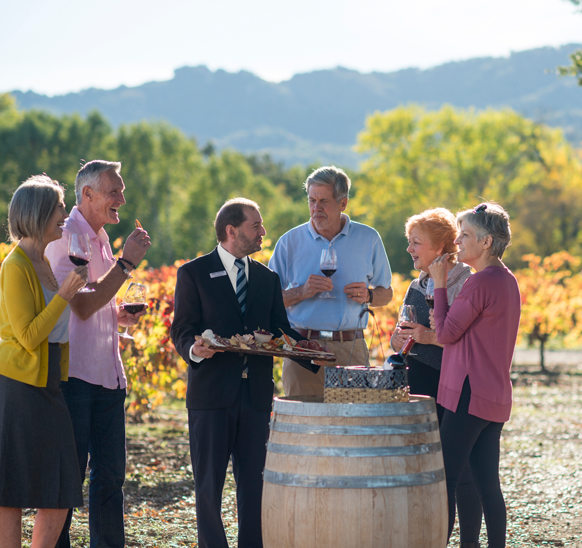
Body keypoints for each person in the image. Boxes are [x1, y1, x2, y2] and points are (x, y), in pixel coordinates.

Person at [170, 198, 319, 548]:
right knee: (208, 487)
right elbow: (182, 329)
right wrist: (194, 350)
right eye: (256, 225)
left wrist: (311, 352)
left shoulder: (268, 278)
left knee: (256, 486)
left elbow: (281, 330)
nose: (263, 231)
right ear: (232, 230)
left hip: (256, 398)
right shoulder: (193, 273)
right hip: (211, 395)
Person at [46, 160, 151, 548]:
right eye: (114, 191)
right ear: (87, 194)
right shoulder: (65, 236)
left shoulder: (101, 237)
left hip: (108, 376)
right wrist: (127, 263)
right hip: (74, 377)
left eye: (122, 190)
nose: (122, 198)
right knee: (68, 480)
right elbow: (81, 305)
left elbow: (97, 303)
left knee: (110, 479)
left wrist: (117, 314)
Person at [0, 176, 88, 548]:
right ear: (38, 213)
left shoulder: (43, 261)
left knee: (61, 486)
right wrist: (64, 295)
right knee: (12, 488)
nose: (66, 215)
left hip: (49, 379)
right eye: (60, 207)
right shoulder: (15, 265)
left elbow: (56, 330)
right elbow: (28, 336)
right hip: (20, 384)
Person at [427, 202, 520, 548]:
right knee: (487, 485)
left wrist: (439, 284)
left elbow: (445, 333)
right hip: (494, 394)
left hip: (469, 393)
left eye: (464, 234)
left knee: (446, 479)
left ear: (486, 242)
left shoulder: (479, 282)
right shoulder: (507, 279)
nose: (457, 241)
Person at [390, 207, 483, 548]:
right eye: (409, 241)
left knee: (461, 471)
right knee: (424, 467)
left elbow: (465, 339)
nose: (409, 249)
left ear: (441, 246)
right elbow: (401, 334)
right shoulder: (417, 285)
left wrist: (427, 335)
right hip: (419, 384)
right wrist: (398, 339)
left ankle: (469, 541)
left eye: (416, 242)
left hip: (454, 383)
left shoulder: (467, 283)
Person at [269, 165, 393, 397]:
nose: (316, 208)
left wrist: (369, 295)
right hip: (303, 349)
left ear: (343, 203)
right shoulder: (289, 242)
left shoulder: (369, 238)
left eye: (324, 201)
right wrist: (302, 292)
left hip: (351, 349)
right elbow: (268, 301)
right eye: (312, 200)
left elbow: (386, 293)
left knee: (354, 418)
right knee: (304, 419)